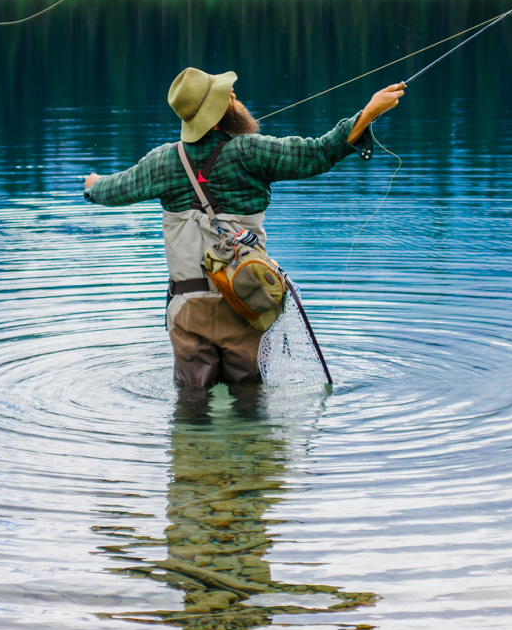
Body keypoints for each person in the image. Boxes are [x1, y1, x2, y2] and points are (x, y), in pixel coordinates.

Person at [82, 68, 405, 389]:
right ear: (220, 111)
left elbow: (111, 191)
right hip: (245, 302)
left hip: (187, 309)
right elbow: (320, 153)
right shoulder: (250, 151)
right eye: (227, 95)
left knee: (191, 406)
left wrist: (93, 185)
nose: (234, 97)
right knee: (249, 401)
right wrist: (370, 112)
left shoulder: (162, 161)